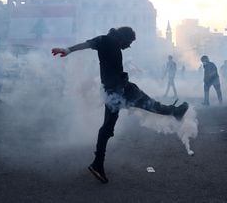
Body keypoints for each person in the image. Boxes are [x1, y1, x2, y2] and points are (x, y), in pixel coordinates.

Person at [52, 27, 189, 184]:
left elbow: (91, 44)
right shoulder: (105, 40)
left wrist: (68, 50)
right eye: (129, 42)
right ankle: (97, 164)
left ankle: (97, 163)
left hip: (119, 89)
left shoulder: (112, 43)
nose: (129, 46)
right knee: (143, 109)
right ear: (123, 38)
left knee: (112, 125)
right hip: (117, 91)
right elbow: (88, 44)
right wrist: (68, 50)